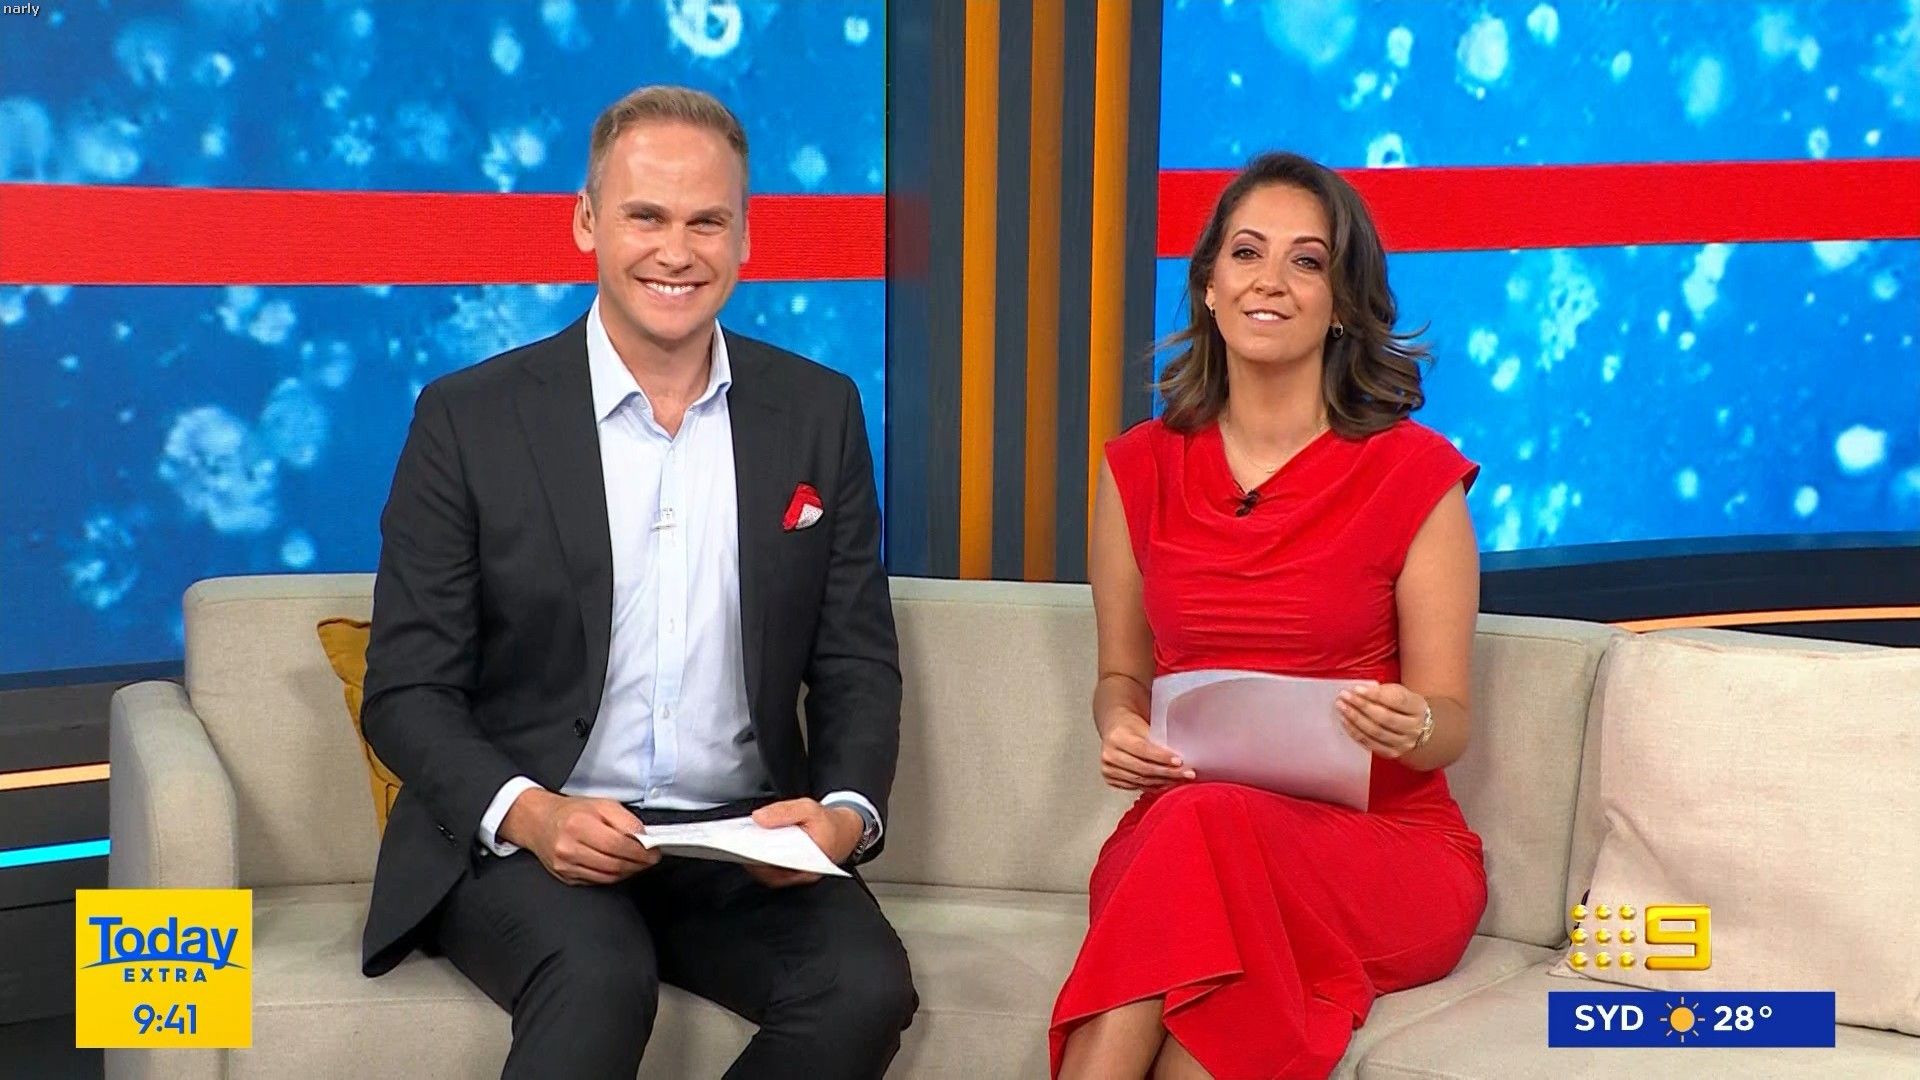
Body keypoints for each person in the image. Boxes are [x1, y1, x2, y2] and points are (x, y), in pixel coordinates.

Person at [357, 85, 915, 1079]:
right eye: (645, 216)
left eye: (707, 222)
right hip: (534, 835)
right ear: (586, 222)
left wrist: (841, 814)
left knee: (864, 988)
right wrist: (534, 814)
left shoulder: (818, 412)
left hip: (737, 841)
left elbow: (855, 662)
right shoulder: (468, 419)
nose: (676, 251)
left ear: (746, 238)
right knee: (599, 975)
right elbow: (406, 692)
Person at [1050, 152, 1487, 1079]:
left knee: (1196, 834)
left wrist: (1412, 724)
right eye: (1247, 253)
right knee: (1199, 864)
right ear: (1209, 285)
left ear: (1343, 302)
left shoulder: (1416, 476)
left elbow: (1449, 724)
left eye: (1307, 261)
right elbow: (1121, 677)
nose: (1271, 281)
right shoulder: (1138, 469)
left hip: (1377, 854)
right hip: (1187, 842)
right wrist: (1120, 726)